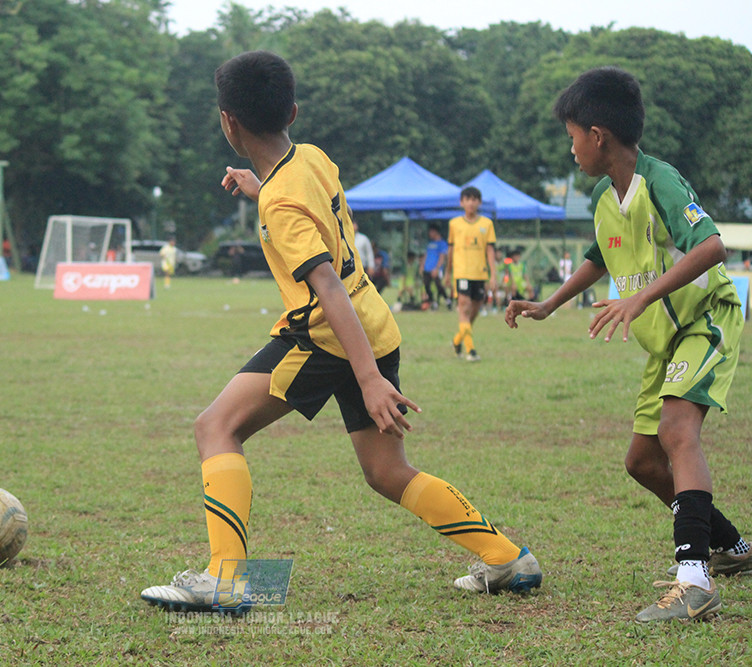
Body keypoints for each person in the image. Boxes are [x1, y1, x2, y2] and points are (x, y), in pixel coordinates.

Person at [140, 51, 542, 614]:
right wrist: (262, 189)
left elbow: (326, 284)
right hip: (372, 324)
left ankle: (225, 579)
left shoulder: (281, 200)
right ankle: (507, 557)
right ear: (293, 112)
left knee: (215, 427)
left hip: (326, 337)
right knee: (387, 471)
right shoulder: (312, 159)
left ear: (228, 121)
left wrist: (369, 379)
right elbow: (311, 214)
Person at [506, 66, 750, 623]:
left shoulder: (660, 182)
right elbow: (599, 258)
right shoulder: (603, 195)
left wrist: (639, 298)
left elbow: (712, 247)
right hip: (665, 342)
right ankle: (732, 547)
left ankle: (695, 581)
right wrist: (548, 304)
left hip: (705, 320)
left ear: (597, 136)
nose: (570, 149)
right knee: (642, 462)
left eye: (571, 136)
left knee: (677, 433)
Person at [445, 186, 496, 362]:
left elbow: (490, 251)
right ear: (461, 202)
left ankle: (457, 340)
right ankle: (471, 350)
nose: (471, 203)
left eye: (474, 199)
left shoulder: (487, 224)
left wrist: (493, 275)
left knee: (474, 312)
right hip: (462, 273)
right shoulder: (454, 224)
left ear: (479, 202)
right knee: (464, 308)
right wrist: (447, 273)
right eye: (467, 199)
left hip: (480, 274)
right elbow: (451, 250)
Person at [422, 225, 450, 310]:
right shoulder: (430, 243)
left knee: (439, 286)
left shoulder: (442, 243)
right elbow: (426, 255)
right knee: (427, 286)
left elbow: (442, 257)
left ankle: (447, 300)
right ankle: (433, 302)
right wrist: (422, 265)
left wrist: (437, 268)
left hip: (436, 269)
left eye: (431, 232)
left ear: (436, 232)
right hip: (427, 268)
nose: (429, 234)